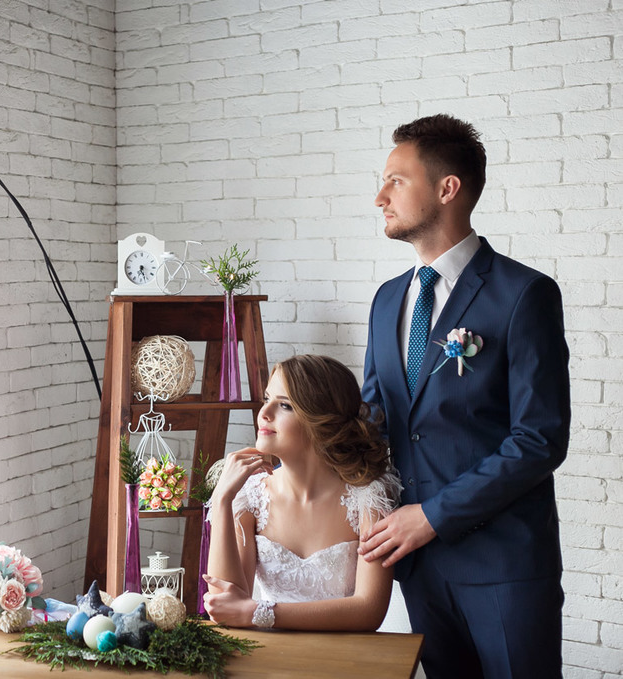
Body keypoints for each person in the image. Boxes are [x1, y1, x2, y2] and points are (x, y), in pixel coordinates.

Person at [360, 114, 571, 679]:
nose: (380, 197)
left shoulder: (524, 294)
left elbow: (539, 440)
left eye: (396, 181)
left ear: (447, 188)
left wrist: (432, 516)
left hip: (504, 566)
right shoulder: (386, 300)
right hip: (417, 567)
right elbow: (372, 423)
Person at [202, 354, 401, 632]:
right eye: (267, 399)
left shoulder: (368, 499)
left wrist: (260, 612)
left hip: (347, 654)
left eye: (284, 405)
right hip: (268, 653)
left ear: (322, 422)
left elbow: (369, 612)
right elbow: (224, 608)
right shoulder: (249, 497)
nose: (264, 412)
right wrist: (223, 499)